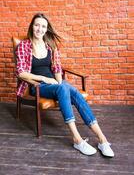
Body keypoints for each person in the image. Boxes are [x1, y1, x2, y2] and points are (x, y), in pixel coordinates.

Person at [15, 13, 114, 157]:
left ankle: (102, 139)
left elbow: (57, 69)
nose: (39, 29)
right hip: (37, 86)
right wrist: (45, 79)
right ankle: (77, 139)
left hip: (56, 84)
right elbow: (21, 73)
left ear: (46, 29)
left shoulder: (50, 46)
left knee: (69, 89)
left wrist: (60, 83)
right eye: (37, 25)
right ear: (32, 26)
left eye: (43, 26)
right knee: (64, 87)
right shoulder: (24, 46)